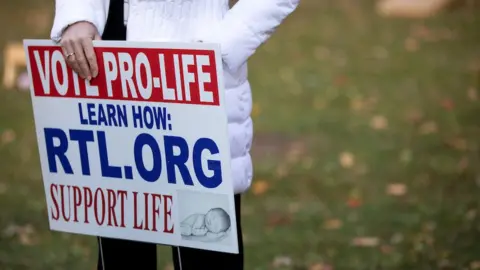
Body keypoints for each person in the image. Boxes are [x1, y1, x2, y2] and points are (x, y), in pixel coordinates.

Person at [50, 0, 299, 269]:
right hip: (107, 62)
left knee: (205, 245)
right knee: (120, 253)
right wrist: (76, 15)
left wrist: (224, 43)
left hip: (195, 66)